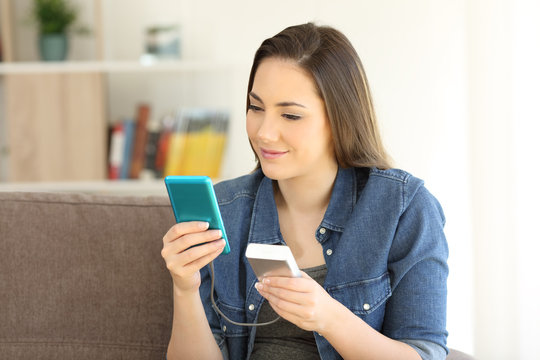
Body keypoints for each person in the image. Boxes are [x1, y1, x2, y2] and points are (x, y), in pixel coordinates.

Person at [161, 23, 448, 360]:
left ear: (341, 119)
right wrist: (185, 288)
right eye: (256, 108)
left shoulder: (403, 208)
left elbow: (425, 353)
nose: (265, 132)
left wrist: (329, 317)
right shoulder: (227, 210)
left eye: (291, 115)